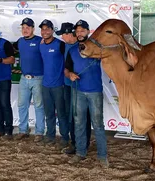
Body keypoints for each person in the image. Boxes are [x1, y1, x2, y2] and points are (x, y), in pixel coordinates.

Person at [65, 20, 108, 167]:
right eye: (77, 31)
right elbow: (66, 69)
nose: (79, 33)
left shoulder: (97, 49)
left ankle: (102, 156)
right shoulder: (71, 51)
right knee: (79, 123)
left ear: (89, 32)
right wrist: (69, 74)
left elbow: (110, 57)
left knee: (98, 125)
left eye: (82, 30)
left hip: (95, 92)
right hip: (78, 91)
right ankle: (80, 153)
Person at [56, 22, 92, 155]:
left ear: (70, 34)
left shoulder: (85, 46)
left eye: (63, 34)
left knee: (82, 116)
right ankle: (75, 143)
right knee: (71, 116)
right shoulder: (63, 46)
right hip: (67, 85)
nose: (62, 37)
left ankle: (83, 144)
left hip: (80, 87)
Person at [13, 17, 45, 143]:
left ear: (33, 28)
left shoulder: (40, 41)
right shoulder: (20, 41)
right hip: (23, 78)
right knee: (22, 105)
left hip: (38, 78)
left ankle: (39, 132)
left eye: (28, 28)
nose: (25, 30)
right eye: (23, 28)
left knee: (38, 106)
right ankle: (23, 130)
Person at [39, 19, 69, 148]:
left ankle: (64, 136)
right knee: (49, 112)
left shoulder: (60, 44)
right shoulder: (41, 44)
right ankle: (50, 135)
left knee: (61, 113)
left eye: (47, 29)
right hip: (45, 85)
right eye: (43, 29)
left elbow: (69, 60)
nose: (45, 31)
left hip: (59, 85)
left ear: (52, 30)